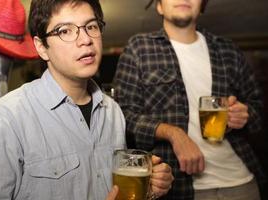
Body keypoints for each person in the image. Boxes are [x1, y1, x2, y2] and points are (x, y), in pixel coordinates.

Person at [0, 0, 174, 199]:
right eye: (65, 31)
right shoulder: (7, 118)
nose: (86, 40)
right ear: (42, 47)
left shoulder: (113, 112)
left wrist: (148, 188)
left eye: (91, 26)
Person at [113, 0, 266, 199]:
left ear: (201, 5)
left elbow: (257, 108)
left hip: (240, 181)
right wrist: (173, 133)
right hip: (178, 187)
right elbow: (123, 116)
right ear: (159, 6)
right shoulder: (138, 48)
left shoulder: (228, 50)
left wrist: (244, 114)